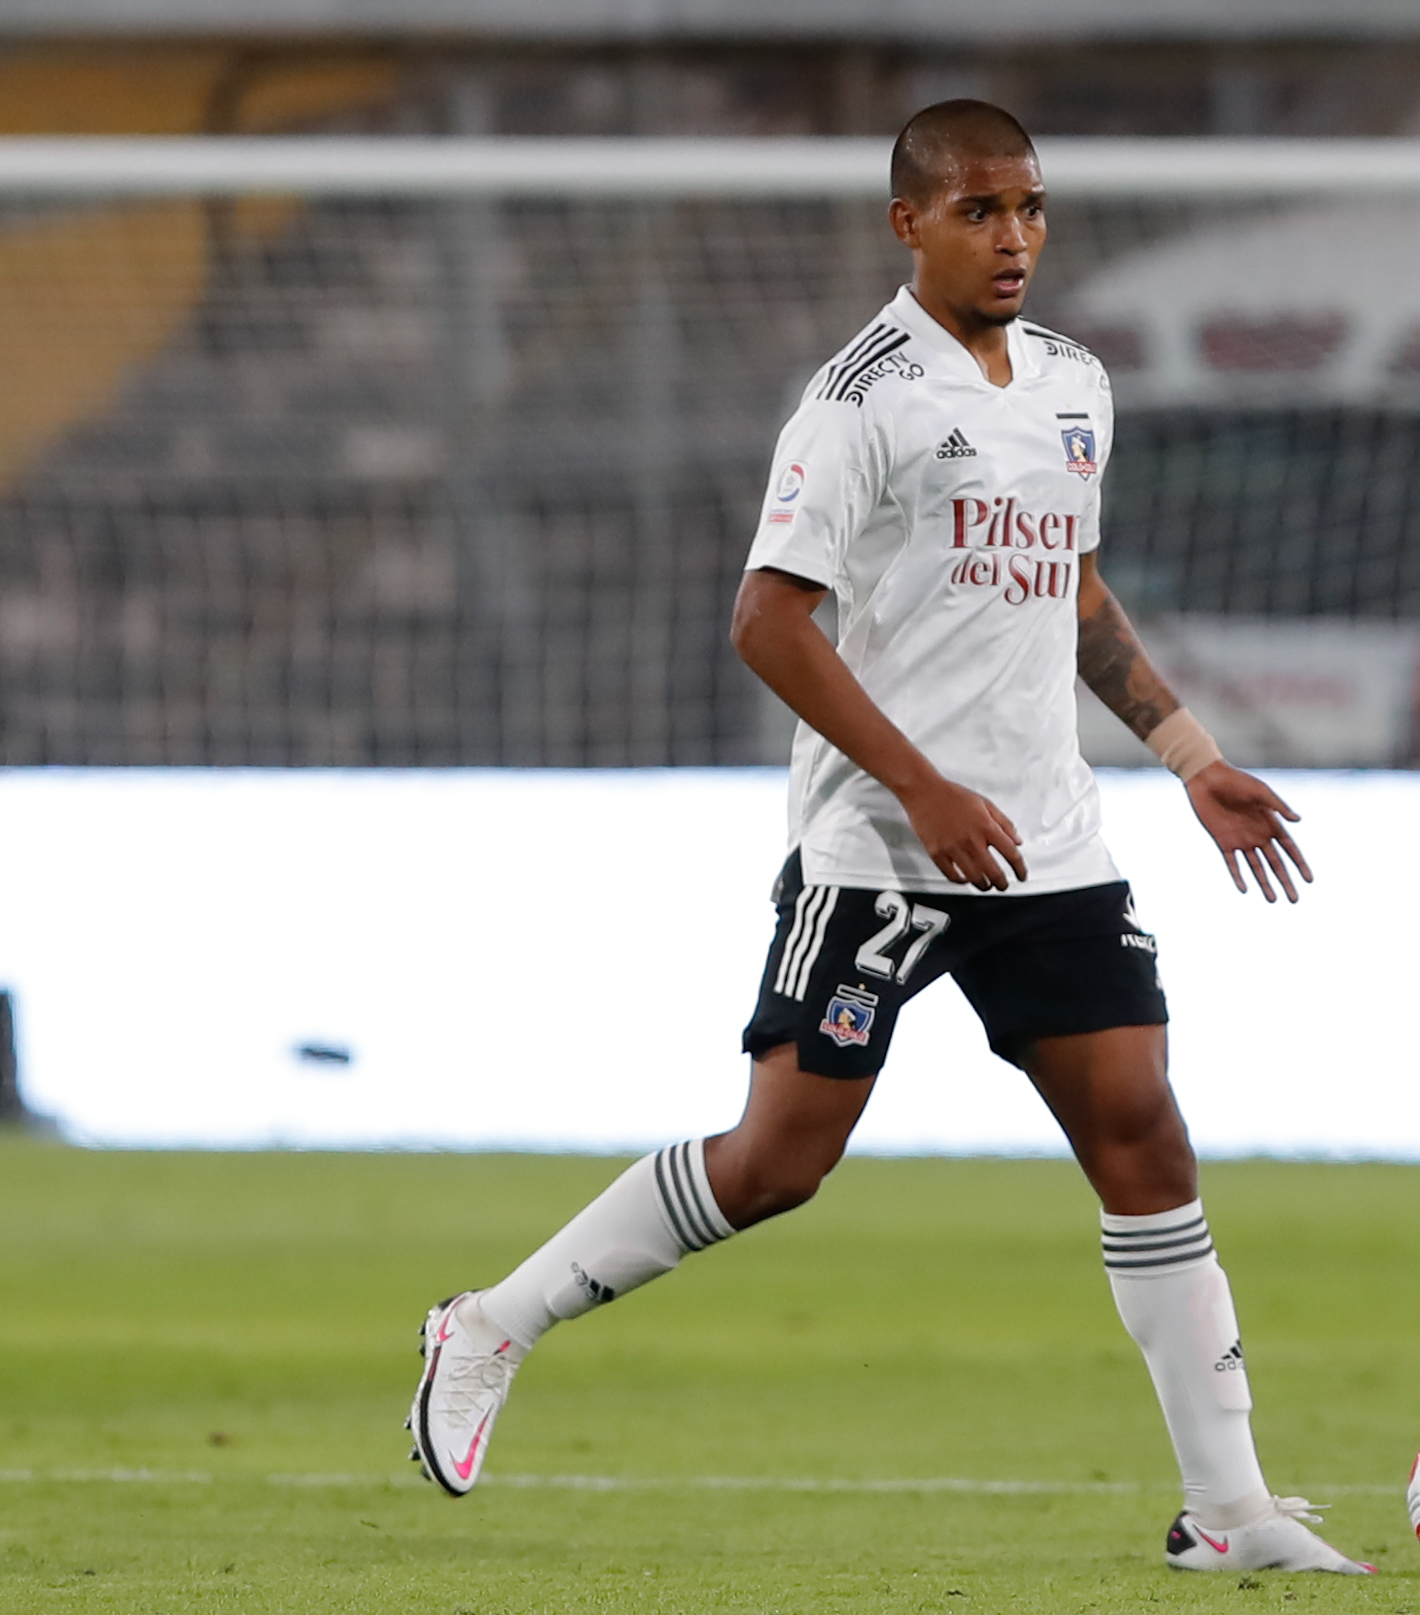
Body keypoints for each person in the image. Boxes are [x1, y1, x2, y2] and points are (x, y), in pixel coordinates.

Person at [406, 99, 1368, 1577]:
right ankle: (489, 1324)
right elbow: (766, 623)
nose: (1015, 238)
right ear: (907, 223)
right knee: (782, 1159)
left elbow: (1078, 596)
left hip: (1048, 841)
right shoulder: (859, 400)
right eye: (980, 210)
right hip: (882, 848)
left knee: (1142, 1135)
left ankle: (1229, 1512)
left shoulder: (1070, 383)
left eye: (1032, 207)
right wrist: (919, 787)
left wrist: (1189, 755)